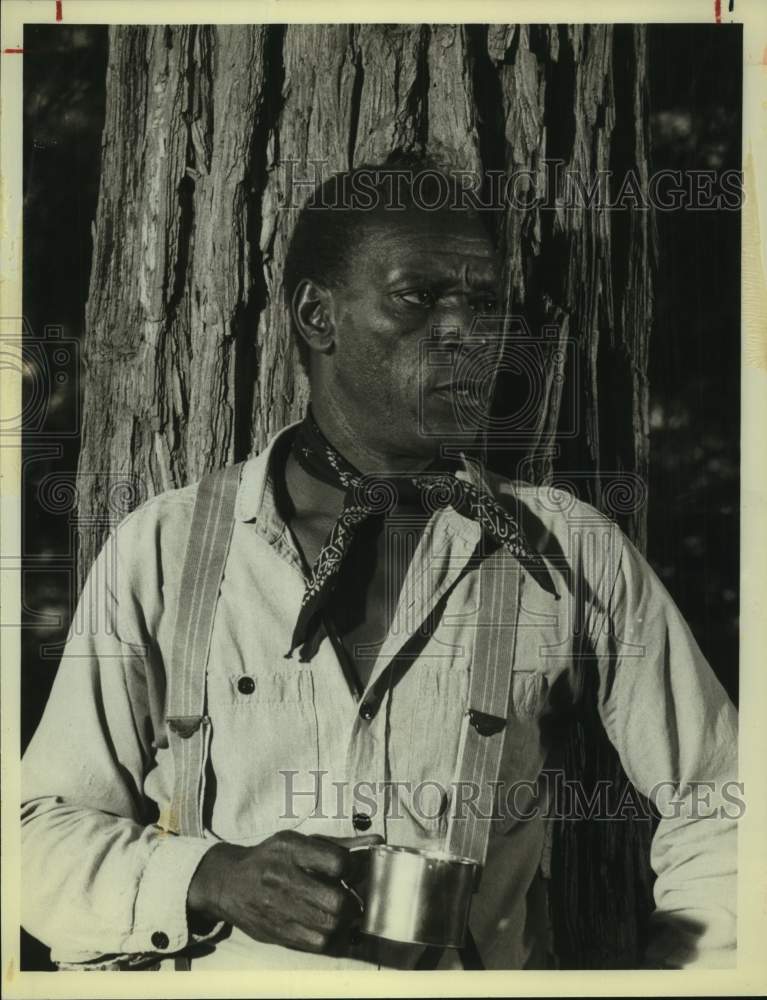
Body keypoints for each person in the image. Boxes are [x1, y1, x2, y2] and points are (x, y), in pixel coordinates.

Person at [21, 160, 738, 972]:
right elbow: (35, 834)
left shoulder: (570, 551)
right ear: (317, 315)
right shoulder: (165, 550)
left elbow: (723, 799)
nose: (467, 332)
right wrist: (208, 876)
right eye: (418, 297)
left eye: (483, 302)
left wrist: (701, 975)